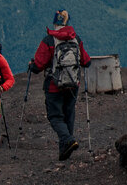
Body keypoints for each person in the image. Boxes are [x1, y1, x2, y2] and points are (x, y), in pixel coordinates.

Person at [27, 9, 91, 161]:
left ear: (54, 22)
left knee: (55, 116)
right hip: (73, 84)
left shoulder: (49, 40)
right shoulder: (76, 39)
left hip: (54, 85)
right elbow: (86, 62)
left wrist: (32, 65)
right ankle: (66, 148)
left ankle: (68, 140)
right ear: (67, 22)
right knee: (69, 114)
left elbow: (38, 66)